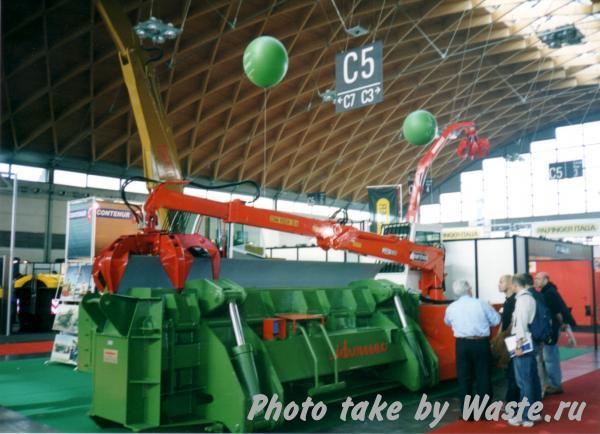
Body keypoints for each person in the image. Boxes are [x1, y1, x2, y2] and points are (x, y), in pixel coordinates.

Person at [444, 280, 501, 418]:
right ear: (469, 289)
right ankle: (484, 412)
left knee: (464, 378)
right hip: (480, 344)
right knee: (483, 376)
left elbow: (447, 322)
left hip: (462, 345)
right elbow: (496, 321)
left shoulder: (452, 307)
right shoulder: (481, 304)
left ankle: (467, 413)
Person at [534, 272, 577, 395]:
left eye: (538, 279)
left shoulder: (549, 294)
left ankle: (555, 384)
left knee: (550, 357)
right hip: (551, 328)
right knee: (549, 356)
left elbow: (557, 312)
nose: (535, 281)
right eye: (535, 279)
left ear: (546, 279)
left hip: (551, 329)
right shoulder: (549, 291)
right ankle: (552, 383)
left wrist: (563, 325)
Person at [508, 273, 542, 427]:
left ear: (516, 285)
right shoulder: (529, 298)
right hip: (529, 339)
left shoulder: (522, 300)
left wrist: (519, 345)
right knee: (531, 378)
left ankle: (525, 416)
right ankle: (533, 413)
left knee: (523, 380)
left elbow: (520, 324)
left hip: (522, 341)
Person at [494, 274, 520, 403]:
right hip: (508, 340)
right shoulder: (508, 301)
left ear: (510, 284)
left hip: (514, 340)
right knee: (510, 371)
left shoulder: (515, 301)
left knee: (514, 372)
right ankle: (512, 400)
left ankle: (513, 401)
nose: (499, 284)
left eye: (501, 281)